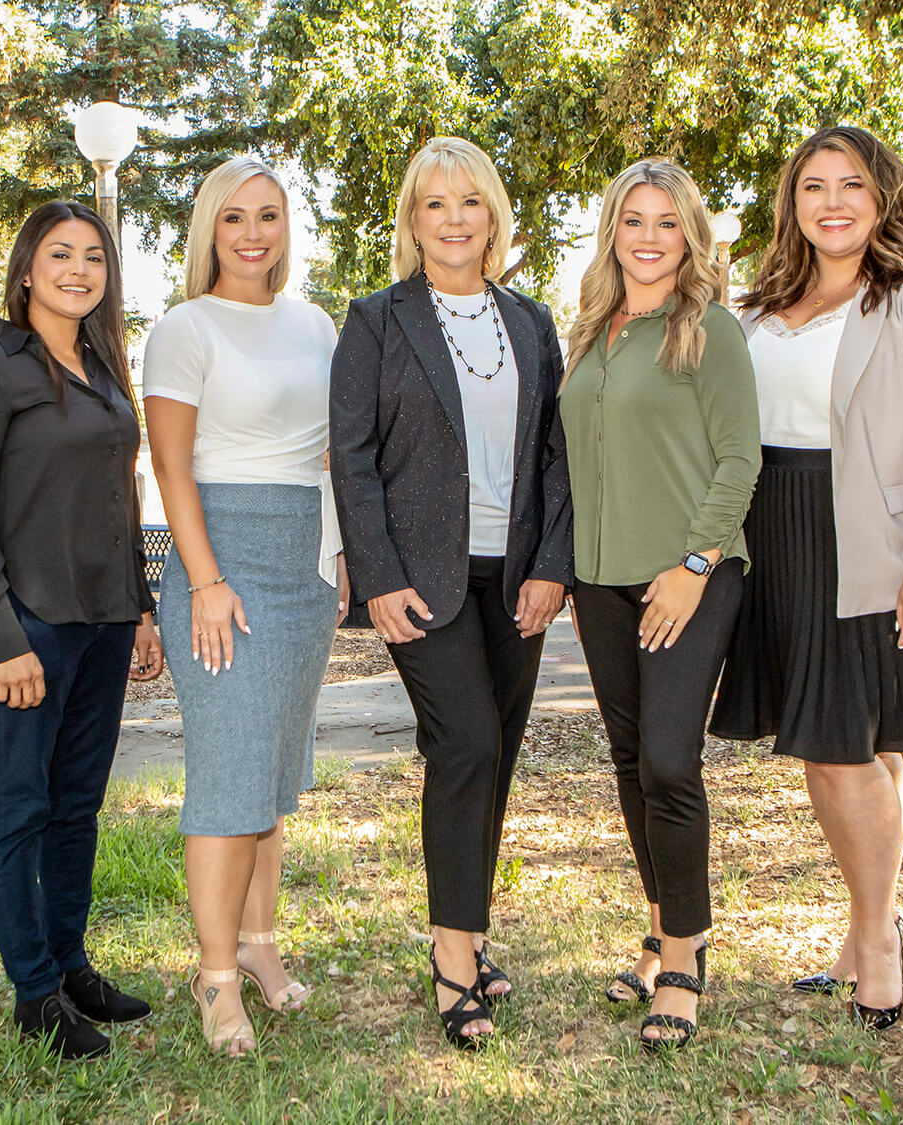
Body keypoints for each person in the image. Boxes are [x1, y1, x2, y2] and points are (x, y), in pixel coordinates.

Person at [708, 125, 903, 1031]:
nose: (833, 202)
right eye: (814, 186)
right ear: (792, 201)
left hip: (877, 544)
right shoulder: (763, 300)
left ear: (883, 196)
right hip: (780, 537)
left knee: (840, 752)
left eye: (852, 185)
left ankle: (874, 946)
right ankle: (874, 927)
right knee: (867, 746)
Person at [330, 136, 573, 1051]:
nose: (455, 218)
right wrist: (378, 578)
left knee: (496, 751)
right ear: (412, 220)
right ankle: (450, 959)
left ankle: (470, 930)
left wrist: (553, 564)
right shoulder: (377, 320)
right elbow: (350, 458)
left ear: (494, 215)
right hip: (420, 580)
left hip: (513, 576)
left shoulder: (532, 322)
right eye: (435, 203)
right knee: (465, 739)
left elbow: (557, 454)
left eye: (471, 200)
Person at [0, 200, 163, 1061]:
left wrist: (139, 605)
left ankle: (71, 966)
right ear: (26, 267)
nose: (78, 269)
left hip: (105, 622)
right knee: (19, 805)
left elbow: (121, 491)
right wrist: (2, 637)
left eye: (94, 258)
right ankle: (33, 991)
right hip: (28, 623)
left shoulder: (107, 365)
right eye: (60, 254)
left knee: (77, 805)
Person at [143, 156, 345, 1056]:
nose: (253, 233)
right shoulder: (185, 328)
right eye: (234, 218)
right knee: (229, 781)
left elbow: (332, 456)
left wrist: (334, 566)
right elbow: (170, 468)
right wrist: (209, 580)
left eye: (268, 216)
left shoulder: (317, 324)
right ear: (209, 230)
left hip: (302, 568)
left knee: (270, 778)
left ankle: (260, 948)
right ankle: (215, 975)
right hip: (219, 563)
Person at [560, 160, 760, 1051]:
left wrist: (692, 563)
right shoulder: (593, 331)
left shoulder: (709, 330)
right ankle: (659, 926)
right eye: (633, 220)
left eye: (666, 223)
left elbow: (739, 461)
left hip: (690, 574)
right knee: (633, 758)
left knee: (672, 763)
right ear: (613, 230)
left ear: (690, 236)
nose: (647, 237)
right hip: (600, 580)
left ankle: (685, 953)